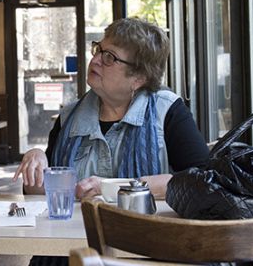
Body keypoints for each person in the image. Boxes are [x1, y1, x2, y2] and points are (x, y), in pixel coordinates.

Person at [13, 18, 209, 200]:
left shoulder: (166, 111)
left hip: (149, 234)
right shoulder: (68, 117)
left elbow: (201, 180)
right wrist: (36, 158)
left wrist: (113, 187)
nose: (96, 59)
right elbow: (39, 191)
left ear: (139, 78)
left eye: (110, 57)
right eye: (99, 49)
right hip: (73, 235)